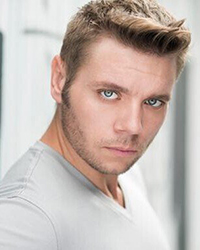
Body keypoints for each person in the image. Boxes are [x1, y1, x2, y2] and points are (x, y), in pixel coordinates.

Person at [0, 0, 191, 249]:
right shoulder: (25, 217)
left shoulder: (124, 170)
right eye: (109, 94)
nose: (133, 126)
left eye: (153, 101)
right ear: (59, 79)